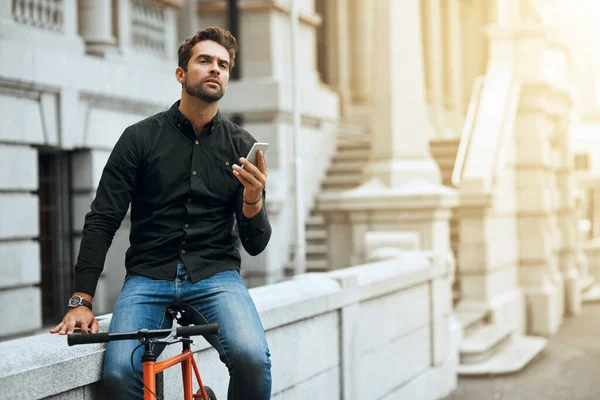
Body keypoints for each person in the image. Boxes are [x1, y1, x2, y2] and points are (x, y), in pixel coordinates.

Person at [50, 26, 272, 399]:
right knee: (121, 374)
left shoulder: (241, 145)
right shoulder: (139, 138)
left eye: (223, 64)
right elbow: (103, 218)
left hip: (215, 274)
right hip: (148, 276)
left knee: (253, 360)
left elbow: (256, 244)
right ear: (181, 74)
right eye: (204, 61)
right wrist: (80, 300)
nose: (215, 69)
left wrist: (253, 198)